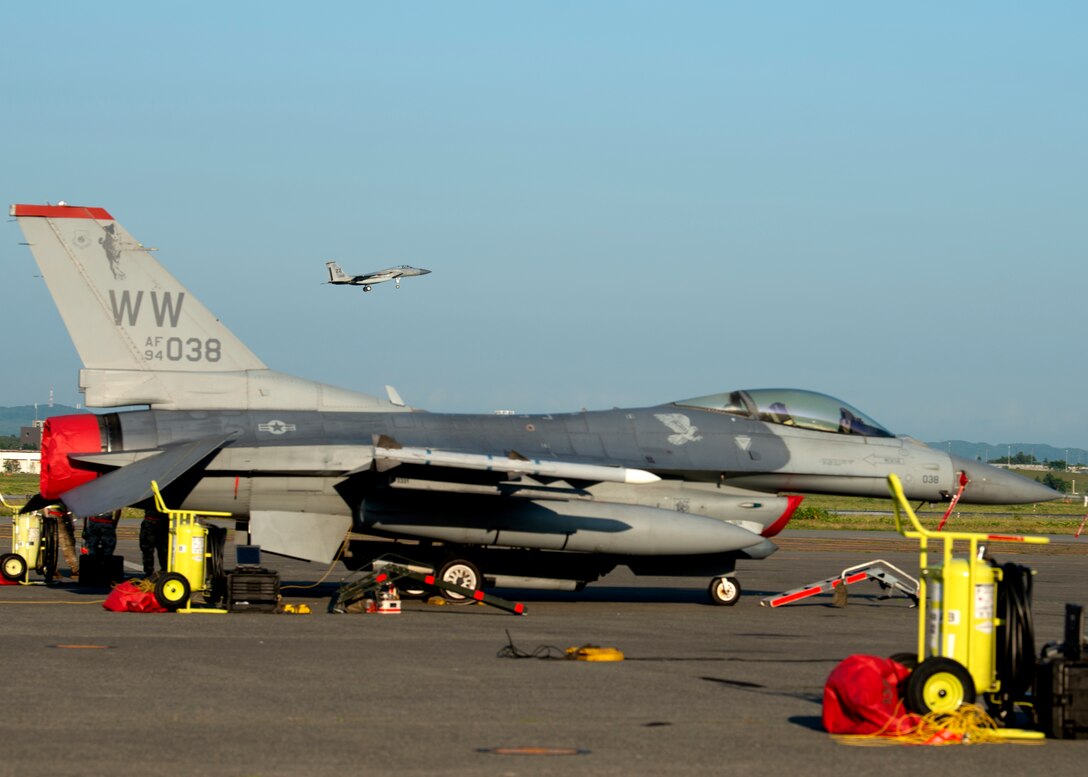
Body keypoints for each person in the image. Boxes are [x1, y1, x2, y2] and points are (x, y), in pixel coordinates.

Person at [139, 508, 169, 578]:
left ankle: (164, 570)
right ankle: (149, 572)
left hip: (161, 521)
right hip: (152, 521)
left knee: (164, 550)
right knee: (147, 549)